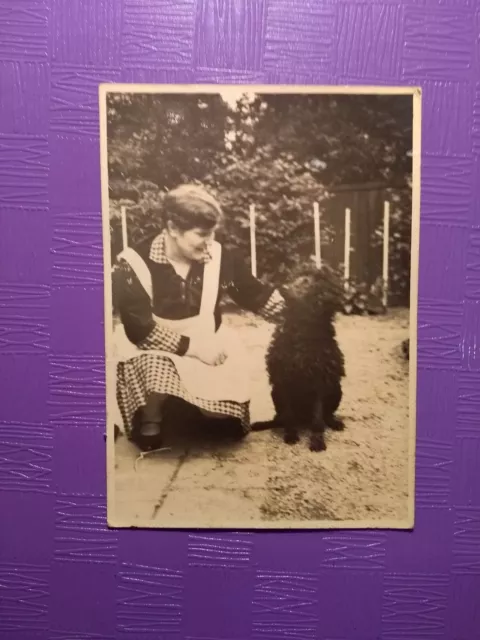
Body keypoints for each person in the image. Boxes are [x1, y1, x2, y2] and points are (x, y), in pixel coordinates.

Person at [112, 184, 285, 451]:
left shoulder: (219, 257)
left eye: (213, 233)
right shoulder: (133, 263)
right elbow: (140, 329)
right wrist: (194, 349)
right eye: (202, 234)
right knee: (150, 362)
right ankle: (152, 416)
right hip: (154, 345)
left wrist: (297, 312)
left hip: (207, 341)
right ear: (172, 228)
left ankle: (197, 410)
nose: (210, 241)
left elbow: (252, 293)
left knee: (225, 426)